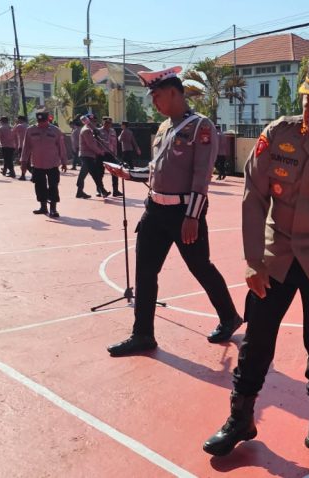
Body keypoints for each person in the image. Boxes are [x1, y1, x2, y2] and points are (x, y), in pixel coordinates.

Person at [202, 62, 309, 470]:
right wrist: (252, 260)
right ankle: (241, 418)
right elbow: (254, 197)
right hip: (275, 255)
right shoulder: (277, 134)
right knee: (257, 339)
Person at [106, 65, 243, 357]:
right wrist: (127, 174)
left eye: (156, 96)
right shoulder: (164, 127)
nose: (153, 102)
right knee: (145, 271)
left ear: (173, 92)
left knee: (200, 266)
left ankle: (229, 316)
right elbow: (156, 171)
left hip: (183, 213)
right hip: (154, 211)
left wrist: (192, 216)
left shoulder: (200, 127)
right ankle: (143, 334)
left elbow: (201, 175)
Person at [19, 111, 68, 218]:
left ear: (47, 120)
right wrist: (23, 161)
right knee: (39, 186)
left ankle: (53, 209)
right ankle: (43, 207)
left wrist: (64, 161)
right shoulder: (30, 130)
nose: (41, 124)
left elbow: (61, 147)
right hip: (37, 164)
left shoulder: (55, 131)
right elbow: (26, 147)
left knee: (53, 186)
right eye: (39, 121)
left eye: (43, 121)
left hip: (52, 164)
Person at [76, 114, 107, 199]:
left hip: (87, 155)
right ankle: (102, 190)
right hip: (87, 155)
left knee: (83, 173)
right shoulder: (86, 130)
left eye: (95, 121)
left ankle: (79, 191)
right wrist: (99, 152)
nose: (95, 123)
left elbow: (96, 139)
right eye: (93, 121)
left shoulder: (90, 129)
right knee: (95, 174)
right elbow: (91, 145)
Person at [100, 117, 122, 197]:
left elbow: (115, 143)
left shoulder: (113, 131)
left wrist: (115, 153)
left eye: (109, 123)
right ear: (103, 122)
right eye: (106, 122)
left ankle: (115, 190)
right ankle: (99, 190)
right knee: (100, 172)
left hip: (111, 154)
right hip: (102, 154)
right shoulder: (99, 131)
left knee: (115, 172)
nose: (107, 124)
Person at [13, 115, 30, 181]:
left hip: (22, 146)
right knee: (28, 162)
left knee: (23, 161)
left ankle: (31, 174)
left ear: (20, 119)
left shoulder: (19, 126)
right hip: (29, 146)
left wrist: (16, 124)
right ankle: (23, 175)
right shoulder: (29, 126)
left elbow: (12, 132)